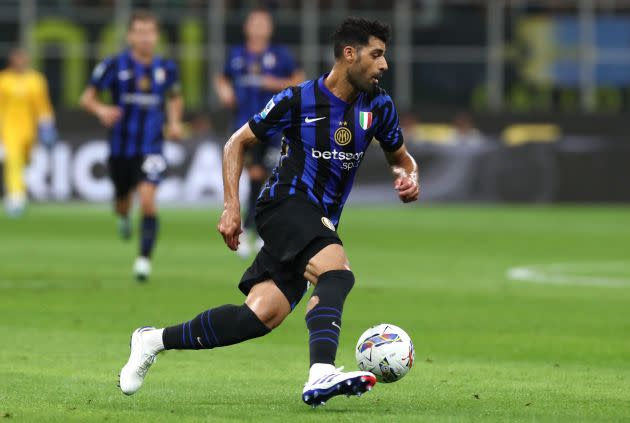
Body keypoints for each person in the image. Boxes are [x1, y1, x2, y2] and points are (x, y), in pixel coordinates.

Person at [118, 17, 419, 407]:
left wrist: (410, 177)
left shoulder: (379, 106)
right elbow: (236, 143)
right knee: (336, 272)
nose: (384, 65)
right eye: (377, 55)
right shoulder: (299, 99)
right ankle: (321, 373)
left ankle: (152, 340)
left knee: (259, 317)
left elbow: (402, 158)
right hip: (285, 204)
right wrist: (231, 207)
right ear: (350, 54)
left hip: (318, 219)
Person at [79, 10, 183, 281]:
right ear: (130, 36)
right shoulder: (114, 65)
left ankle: (143, 261)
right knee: (123, 203)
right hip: (120, 149)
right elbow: (87, 98)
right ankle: (124, 217)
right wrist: (102, 110)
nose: (145, 38)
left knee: (148, 202)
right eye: (140, 32)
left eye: (150, 32)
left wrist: (174, 123)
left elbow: (174, 98)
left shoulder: (166, 69)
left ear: (156, 36)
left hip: (152, 147)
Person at [214, 8, 304, 258]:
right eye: (255, 22)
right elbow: (221, 78)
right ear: (247, 27)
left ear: (270, 28)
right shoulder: (236, 55)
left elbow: (299, 81)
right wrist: (225, 91)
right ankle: (253, 230)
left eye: (263, 23)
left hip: (276, 129)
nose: (259, 27)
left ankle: (256, 229)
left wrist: (272, 84)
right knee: (255, 175)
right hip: (246, 128)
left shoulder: (280, 55)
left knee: (268, 178)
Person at [0, 48, 57, 217]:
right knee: (13, 160)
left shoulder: (36, 80)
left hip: (29, 128)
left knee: (26, 160)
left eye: (23, 59)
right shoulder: (4, 80)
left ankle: (18, 190)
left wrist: (47, 125)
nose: (21, 62)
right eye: (18, 59)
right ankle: (16, 197)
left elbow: (42, 105)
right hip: (9, 128)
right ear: (12, 60)